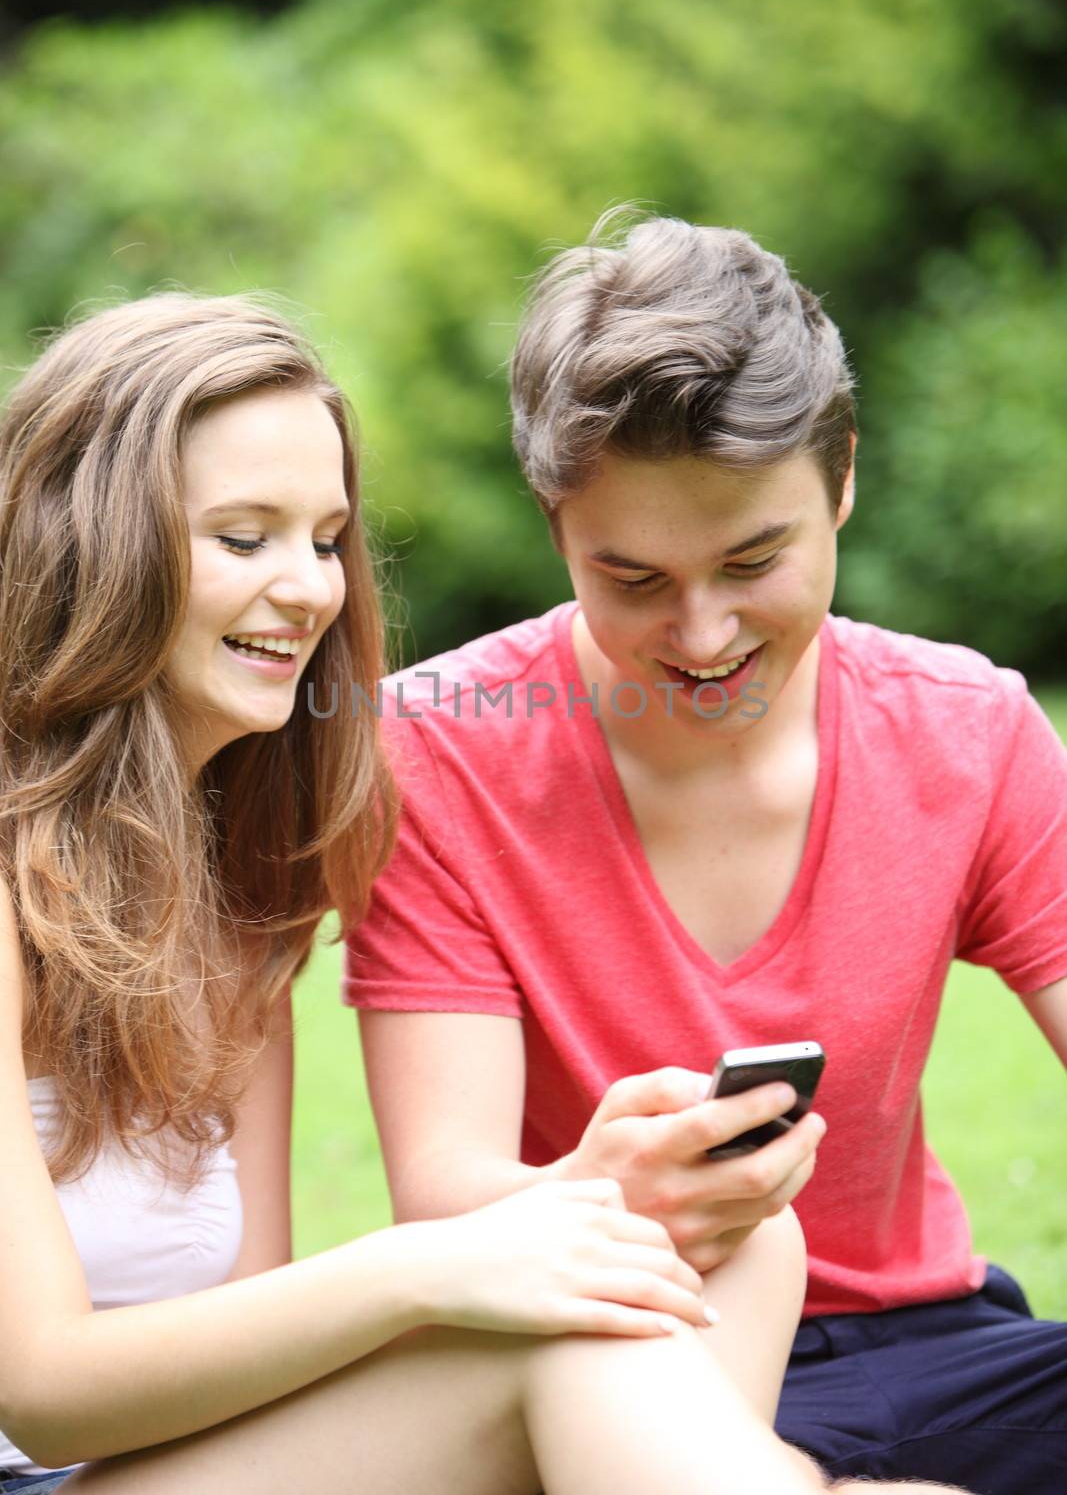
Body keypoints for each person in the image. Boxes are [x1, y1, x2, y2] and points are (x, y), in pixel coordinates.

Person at [0, 291, 934, 1495]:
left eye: (325, 538)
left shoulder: (237, 902)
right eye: (245, 538)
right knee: (578, 1329)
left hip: (166, 1469)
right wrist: (430, 1267)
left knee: (728, 1244)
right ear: (95, 543)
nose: (308, 589)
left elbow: (250, 1341)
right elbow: (41, 1380)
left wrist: (544, 1228)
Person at [346, 211, 1067, 1495]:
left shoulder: (970, 731)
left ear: (840, 480)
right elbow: (444, 1192)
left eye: (752, 559)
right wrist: (599, 1183)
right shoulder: (434, 754)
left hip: (937, 1346)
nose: (700, 631)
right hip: (620, 1353)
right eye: (630, 578)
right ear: (554, 522)